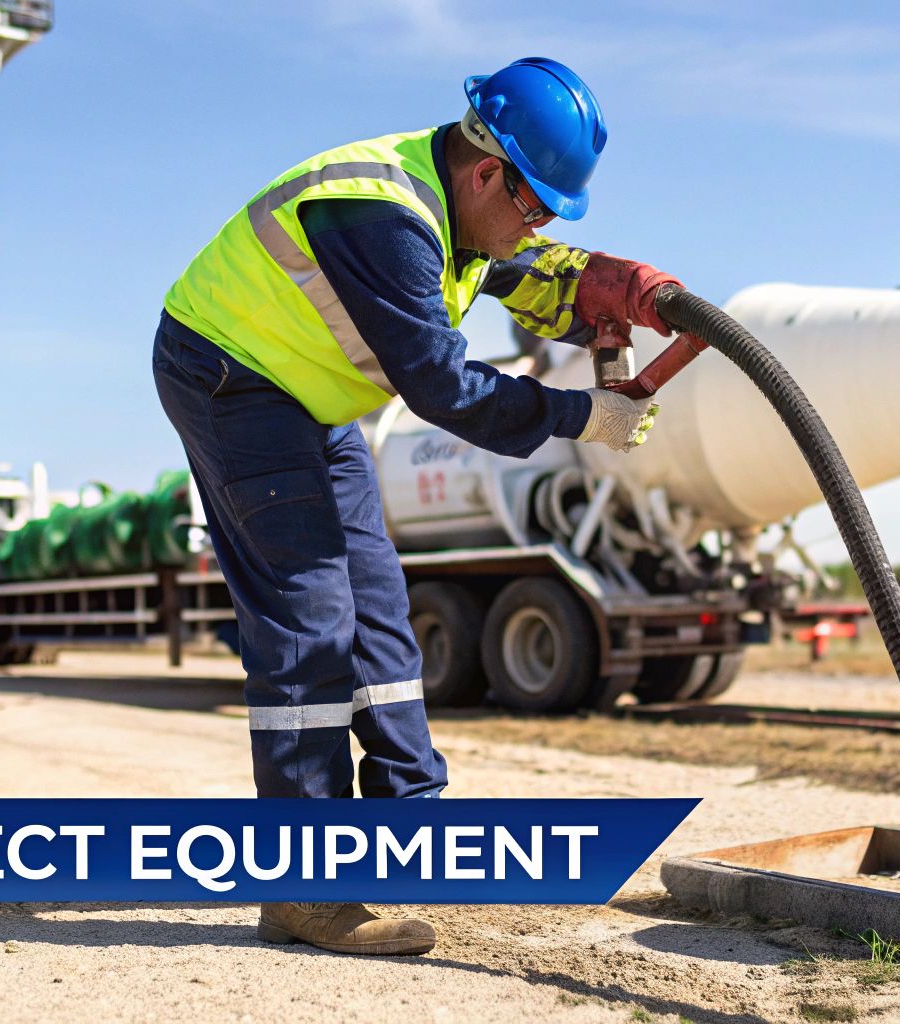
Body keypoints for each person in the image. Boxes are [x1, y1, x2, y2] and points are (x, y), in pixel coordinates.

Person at [152, 57, 677, 956]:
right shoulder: (384, 214)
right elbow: (442, 387)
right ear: (488, 173)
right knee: (311, 619)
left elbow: (533, 275)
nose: (538, 229)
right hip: (231, 378)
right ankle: (305, 891)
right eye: (537, 207)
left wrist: (614, 288)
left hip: (310, 398)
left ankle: (405, 834)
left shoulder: (469, 216)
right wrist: (583, 414)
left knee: (381, 613)